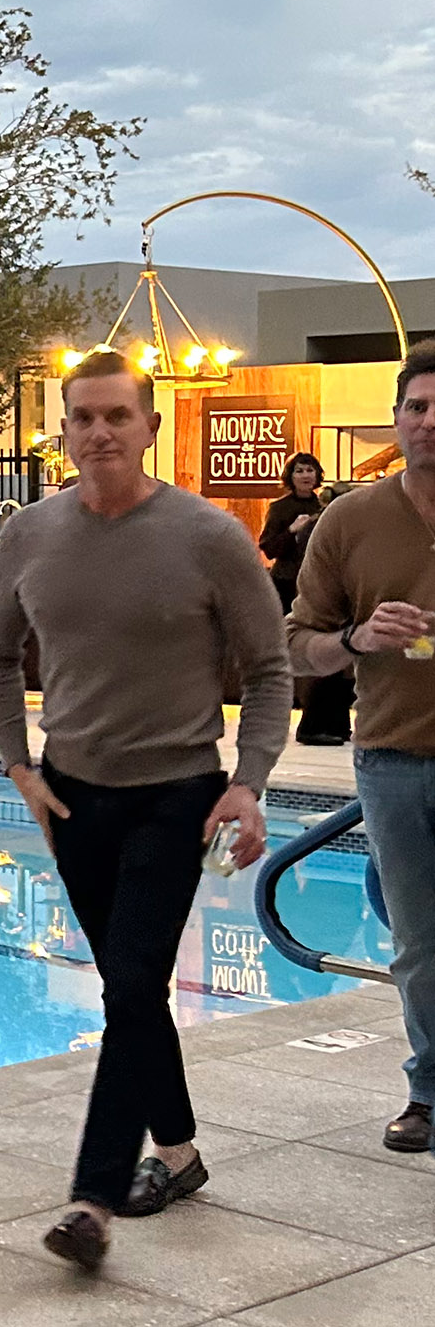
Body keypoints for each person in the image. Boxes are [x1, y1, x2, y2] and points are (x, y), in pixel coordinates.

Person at [0, 349, 289, 1270]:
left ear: (150, 426)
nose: (100, 431)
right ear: (63, 429)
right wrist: (19, 766)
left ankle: (92, 1200)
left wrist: (248, 780)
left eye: (118, 415)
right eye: (83, 416)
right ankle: (178, 1153)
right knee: (131, 985)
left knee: (132, 981)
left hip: (176, 795)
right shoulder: (30, 534)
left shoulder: (209, 536)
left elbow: (270, 669)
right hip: (73, 797)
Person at [286, 340, 435, 1161]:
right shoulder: (349, 522)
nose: (430, 422)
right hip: (392, 758)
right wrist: (358, 638)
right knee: (417, 940)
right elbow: (297, 644)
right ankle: (428, 1091)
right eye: (418, 407)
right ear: (396, 419)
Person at [262, 452, 353, 745]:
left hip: (321, 586)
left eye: (310, 470)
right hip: (288, 585)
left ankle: (332, 722)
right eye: (300, 471)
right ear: (291, 476)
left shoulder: (323, 509)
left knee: (332, 654)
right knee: (295, 652)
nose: (305, 475)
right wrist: (292, 530)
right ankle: (303, 719)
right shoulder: (280, 508)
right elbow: (269, 548)